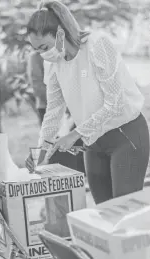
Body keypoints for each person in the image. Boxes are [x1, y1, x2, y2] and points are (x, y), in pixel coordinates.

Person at [25, 1, 149, 204]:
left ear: (60, 33)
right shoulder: (53, 64)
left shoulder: (97, 45)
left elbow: (115, 103)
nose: (43, 54)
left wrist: (74, 135)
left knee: (125, 213)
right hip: (93, 142)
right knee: (103, 211)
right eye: (37, 50)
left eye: (44, 47)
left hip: (126, 136)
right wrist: (41, 151)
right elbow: (53, 111)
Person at [28, 50, 85, 172]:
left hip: (72, 108)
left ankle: (78, 174)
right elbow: (38, 86)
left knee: (75, 141)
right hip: (48, 107)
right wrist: (61, 104)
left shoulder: (67, 54)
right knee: (53, 142)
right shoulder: (36, 57)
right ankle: (56, 173)